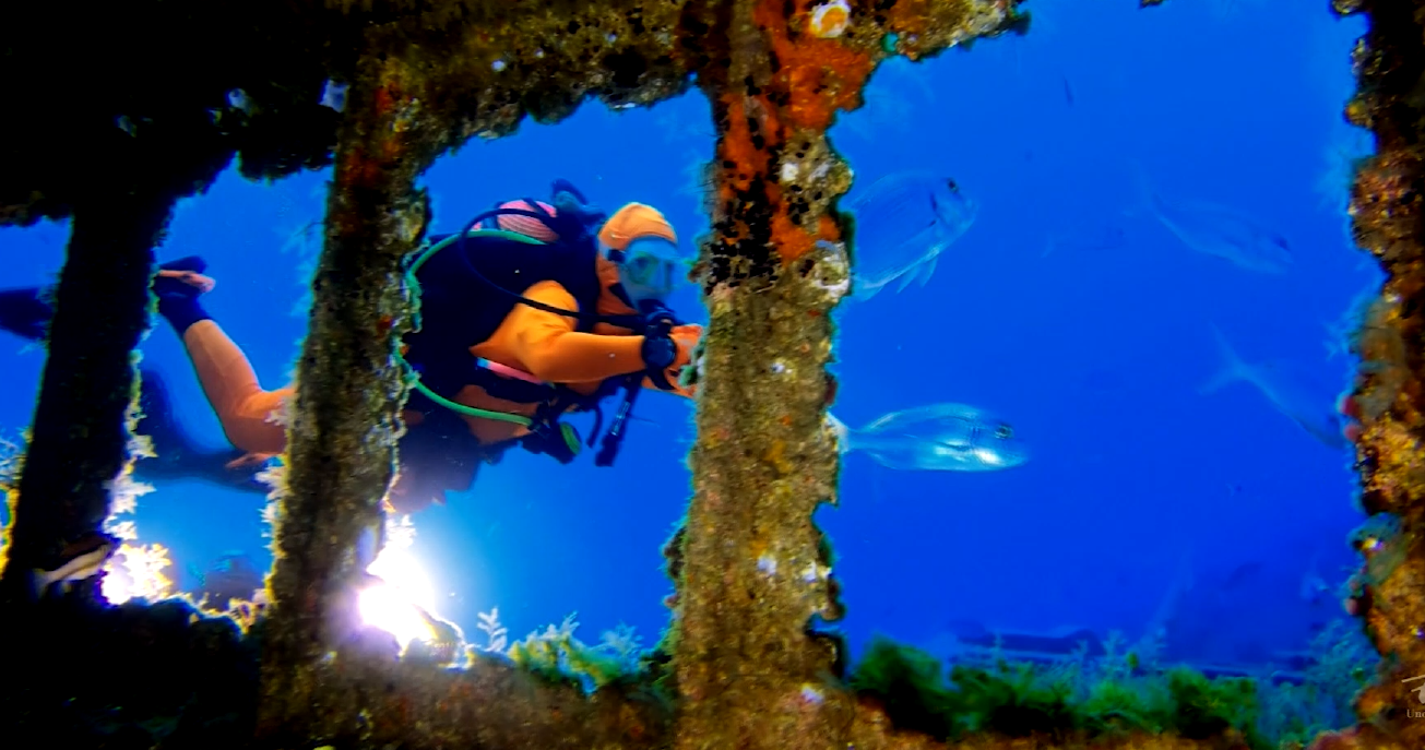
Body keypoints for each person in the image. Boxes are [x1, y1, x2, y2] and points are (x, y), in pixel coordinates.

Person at [0, 180, 703, 515]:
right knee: (248, 420)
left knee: (375, 513)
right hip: (396, 395)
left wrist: (695, 363)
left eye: (665, 270)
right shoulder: (553, 295)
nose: (652, 283)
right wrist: (652, 357)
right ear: (607, 258)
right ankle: (181, 297)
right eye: (640, 261)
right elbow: (546, 356)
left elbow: (685, 374)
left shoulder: (628, 344)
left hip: (435, 437)